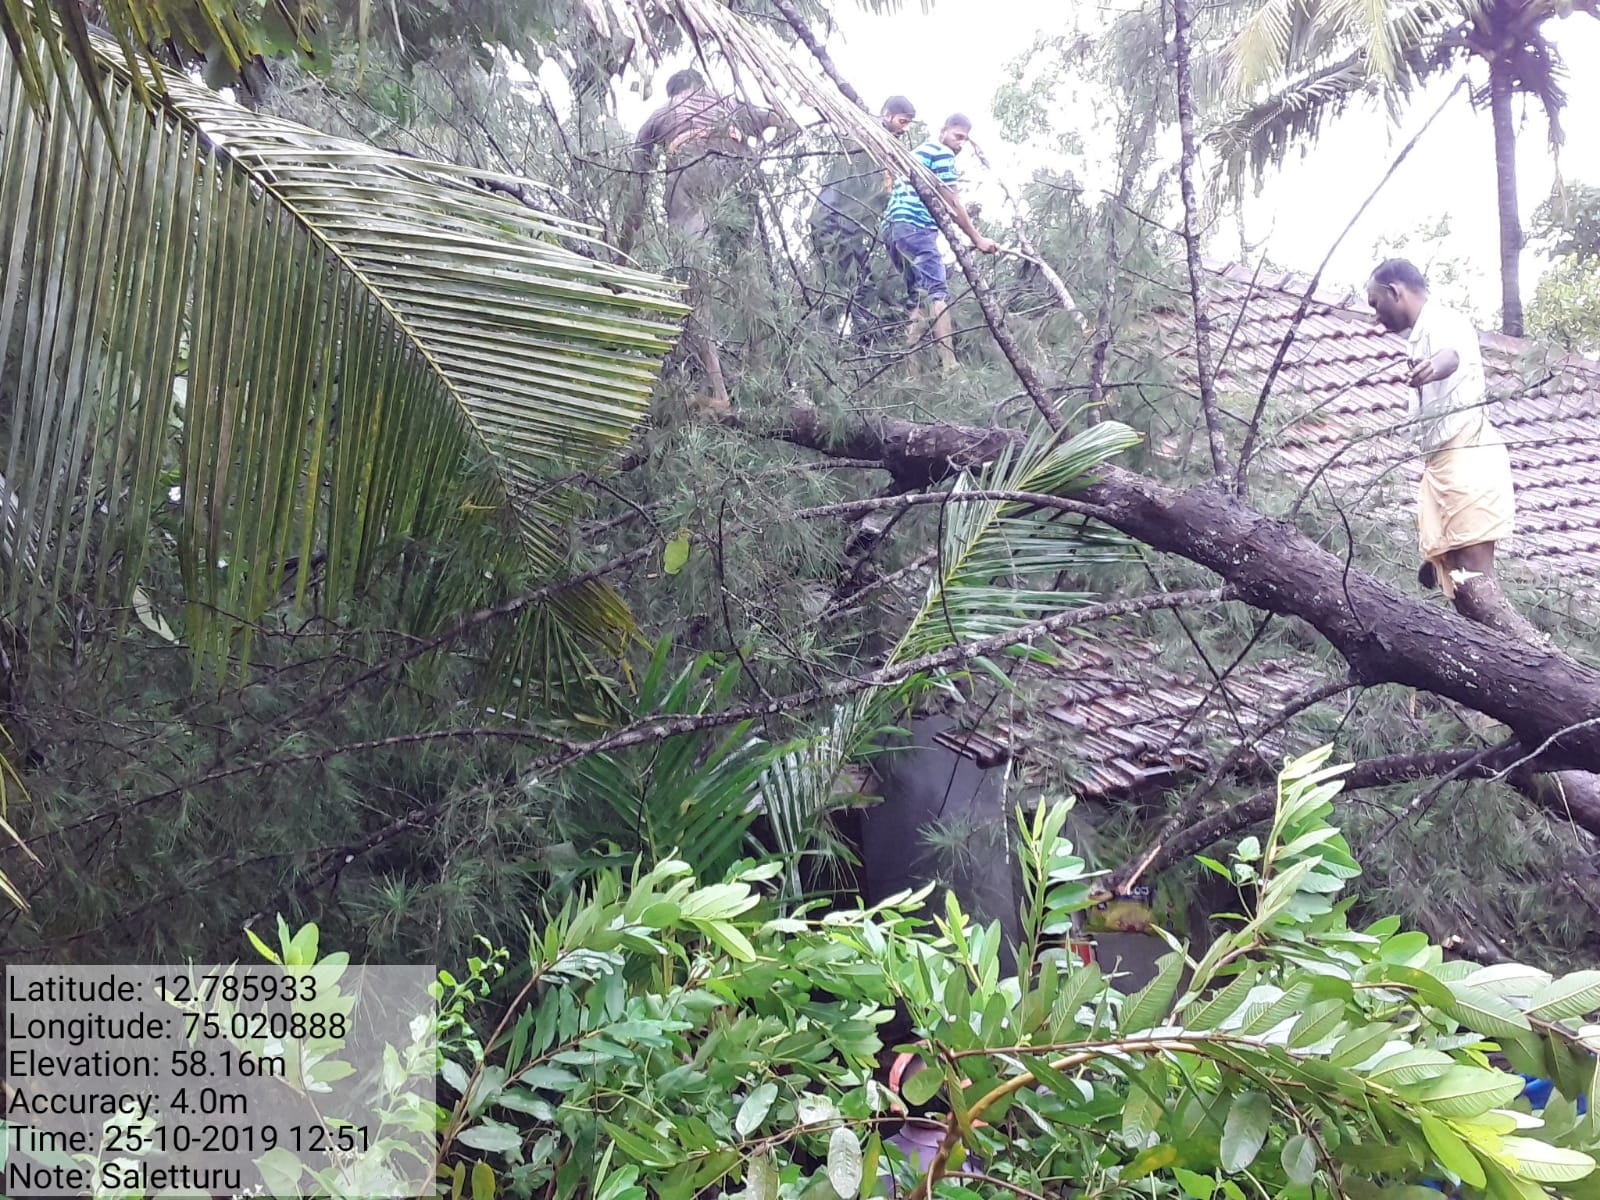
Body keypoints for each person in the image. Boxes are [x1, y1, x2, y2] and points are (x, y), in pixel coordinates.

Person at [1366, 258, 1538, 641]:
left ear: (1395, 292)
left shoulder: (1443, 321)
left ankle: (1510, 652)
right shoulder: (1420, 333)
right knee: (1459, 582)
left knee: (1475, 579)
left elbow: (1451, 355)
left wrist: (1432, 367)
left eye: (1376, 303)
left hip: (1468, 459)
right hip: (1443, 463)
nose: (1376, 316)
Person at [622, 68, 782, 411]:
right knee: (746, 276)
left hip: (690, 173)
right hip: (737, 169)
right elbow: (780, 119)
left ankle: (719, 392)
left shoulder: (662, 113)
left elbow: (637, 193)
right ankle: (763, 380)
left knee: (694, 284)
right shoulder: (728, 103)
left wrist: (620, 257)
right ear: (701, 85)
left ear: (673, 91)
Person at [881, 113, 999, 372]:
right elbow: (952, 202)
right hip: (915, 227)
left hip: (892, 229)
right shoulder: (942, 153)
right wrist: (978, 239)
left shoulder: (918, 152)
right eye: (958, 136)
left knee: (919, 297)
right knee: (938, 293)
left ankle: (912, 373)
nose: (960, 144)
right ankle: (950, 365)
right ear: (944, 130)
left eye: (965, 140)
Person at [807, 95, 917, 337]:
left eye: (907, 124)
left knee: (850, 285)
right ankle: (852, 338)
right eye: (902, 121)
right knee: (853, 286)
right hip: (835, 222)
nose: (904, 129)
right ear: (887, 114)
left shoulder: (882, 151)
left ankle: (834, 336)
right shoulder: (868, 133)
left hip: (841, 224)